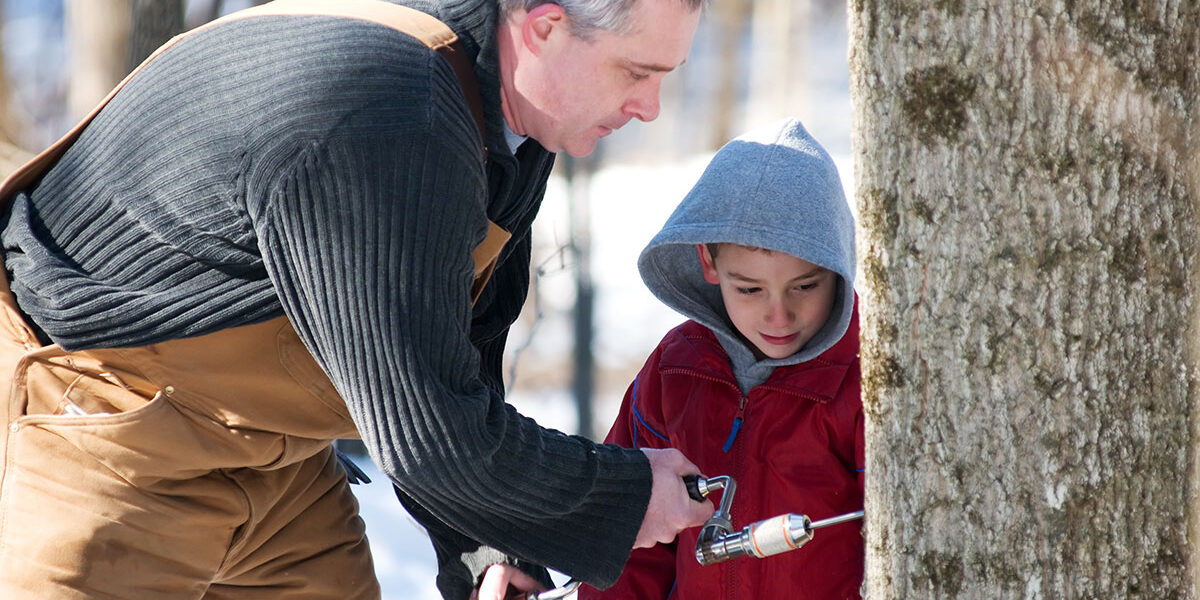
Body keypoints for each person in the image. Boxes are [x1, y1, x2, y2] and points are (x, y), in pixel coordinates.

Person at [0, 0, 713, 599]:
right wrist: (623, 497)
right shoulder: (391, 110)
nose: (650, 108)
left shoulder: (510, 114)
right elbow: (428, 432)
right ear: (545, 27)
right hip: (98, 426)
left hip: (275, 456)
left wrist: (488, 543)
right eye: (636, 72)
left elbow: (455, 357)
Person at [577, 118, 865, 599]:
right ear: (708, 262)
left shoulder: (864, 380)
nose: (779, 315)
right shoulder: (676, 370)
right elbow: (629, 538)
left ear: (838, 267)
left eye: (804, 286)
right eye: (749, 289)